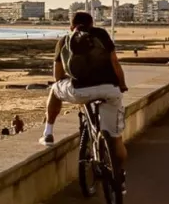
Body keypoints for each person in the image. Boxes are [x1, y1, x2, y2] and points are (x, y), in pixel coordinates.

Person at [39, 12, 129, 181]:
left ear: (71, 26)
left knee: (54, 90)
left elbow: (57, 76)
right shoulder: (101, 35)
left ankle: (48, 132)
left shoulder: (64, 41)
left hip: (80, 91)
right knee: (116, 139)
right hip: (109, 89)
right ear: (92, 24)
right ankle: (118, 177)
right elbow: (115, 63)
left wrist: (67, 79)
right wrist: (122, 84)